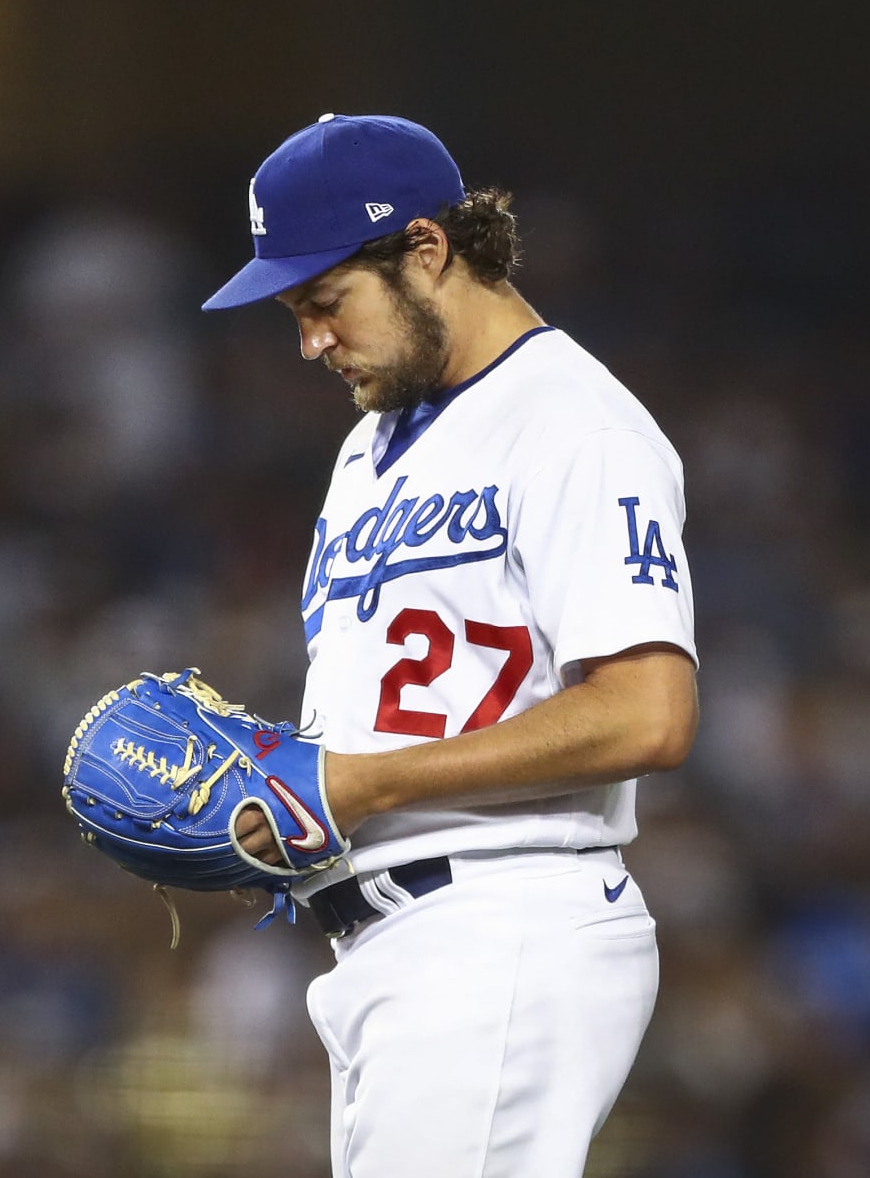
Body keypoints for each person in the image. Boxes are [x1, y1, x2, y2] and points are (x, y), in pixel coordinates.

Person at [203, 114, 699, 1176]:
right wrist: (289, 805)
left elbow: (648, 713)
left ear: (426, 250)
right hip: (395, 943)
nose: (310, 342)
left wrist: (360, 786)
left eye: (325, 302)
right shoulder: (367, 444)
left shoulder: (576, 425)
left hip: (501, 921)